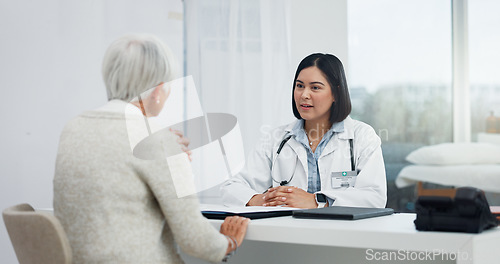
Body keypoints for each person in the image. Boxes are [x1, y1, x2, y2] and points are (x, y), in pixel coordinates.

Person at [53, 34, 249, 264]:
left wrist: (170, 153)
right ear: (157, 91)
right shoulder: (154, 138)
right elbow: (195, 241)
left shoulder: (74, 127)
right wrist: (229, 242)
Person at [221, 53, 387, 209]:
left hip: (343, 236)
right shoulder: (275, 139)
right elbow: (232, 188)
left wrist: (317, 201)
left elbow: (375, 197)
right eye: (299, 86)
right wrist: (259, 199)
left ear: (336, 92)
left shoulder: (362, 137)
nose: (304, 95)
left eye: (315, 88)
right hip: (288, 234)